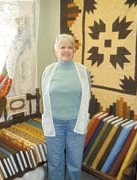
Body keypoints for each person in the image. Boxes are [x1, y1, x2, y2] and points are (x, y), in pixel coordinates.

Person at [41, 34, 91, 180]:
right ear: (56, 50)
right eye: (62, 47)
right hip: (54, 123)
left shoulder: (83, 71)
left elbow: (87, 95)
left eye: (70, 47)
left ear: (74, 50)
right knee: (55, 162)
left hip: (76, 122)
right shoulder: (48, 71)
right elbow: (45, 95)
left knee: (74, 163)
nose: (66, 50)